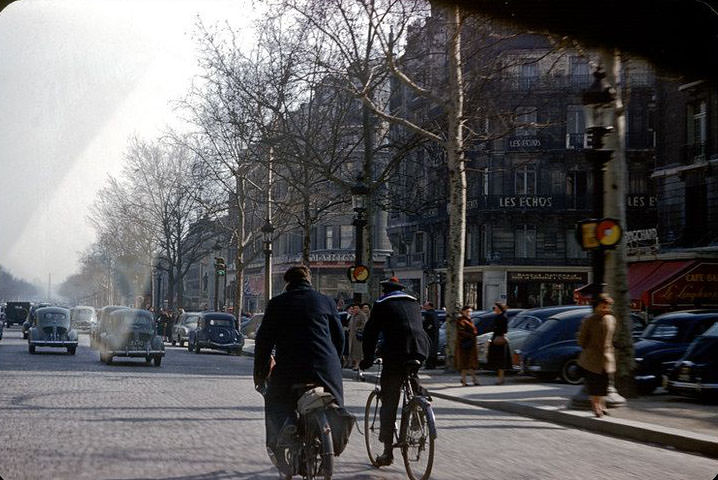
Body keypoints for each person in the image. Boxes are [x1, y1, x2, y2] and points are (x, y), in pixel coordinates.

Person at [253, 265, 345, 476]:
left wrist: (260, 374)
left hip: (290, 368)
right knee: (335, 403)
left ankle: (284, 431)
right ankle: (330, 438)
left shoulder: (277, 304)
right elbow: (339, 339)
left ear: (287, 283)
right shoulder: (326, 301)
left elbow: (263, 342)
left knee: (274, 400)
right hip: (325, 367)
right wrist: (334, 364)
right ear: (308, 280)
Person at [359, 276, 430, 467]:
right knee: (411, 375)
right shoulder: (413, 302)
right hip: (420, 348)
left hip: (396, 351)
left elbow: (371, 333)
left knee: (389, 401)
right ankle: (419, 405)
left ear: (385, 291)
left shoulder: (382, 304)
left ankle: (387, 453)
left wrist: (367, 359)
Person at [577, 293, 616, 418]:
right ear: (596, 306)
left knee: (604, 383)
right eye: (602, 306)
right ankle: (596, 407)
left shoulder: (611, 319)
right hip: (592, 358)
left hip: (606, 357)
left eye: (607, 306)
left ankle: (602, 404)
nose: (605, 309)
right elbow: (582, 339)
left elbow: (612, 337)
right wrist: (589, 349)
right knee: (594, 384)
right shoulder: (589, 320)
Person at [455, 305, 479, 386]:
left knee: (471, 364)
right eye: (467, 311)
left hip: (470, 344)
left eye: (470, 311)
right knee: (464, 364)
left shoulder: (470, 320)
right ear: (463, 312)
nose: (469, 313)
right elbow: (461, 332)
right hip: (464, 345)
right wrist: (471, 335)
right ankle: (465, 381)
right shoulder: (461, 320)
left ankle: (474, 380)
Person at [488, 302, 510, 385]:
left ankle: (501, 379)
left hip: (499, 339)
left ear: (499, 308)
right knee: (498, 359)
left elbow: (504, 329)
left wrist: (502, 336)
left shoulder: (503, 317)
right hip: (496, 337)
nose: (494, 309)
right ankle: (500, 378)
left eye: (495, 307)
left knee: (500, 359)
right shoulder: (498, 316)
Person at [347, 304, 367, 370]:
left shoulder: (362, 315)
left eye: (356, 308)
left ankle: (357, 365)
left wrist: (358, 329)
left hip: (358, 335)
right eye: (354, 308)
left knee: (358, 350)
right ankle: (352, 363)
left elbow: (364, 324)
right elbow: (350, 324)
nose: (355, 309)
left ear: (360, 309)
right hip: (351, 336)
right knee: (352, 350)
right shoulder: (353, 315)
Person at [422, 301, 440, 369]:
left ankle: (429, 365)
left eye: (425, 306)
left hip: (430, 335)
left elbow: (427, 324)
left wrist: (426, 329)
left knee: (429, 350)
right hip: (435, 334)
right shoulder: (435, 313)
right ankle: (433, 365)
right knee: (434, 350)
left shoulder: (428, 314)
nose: (424, 307)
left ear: (429, 306)